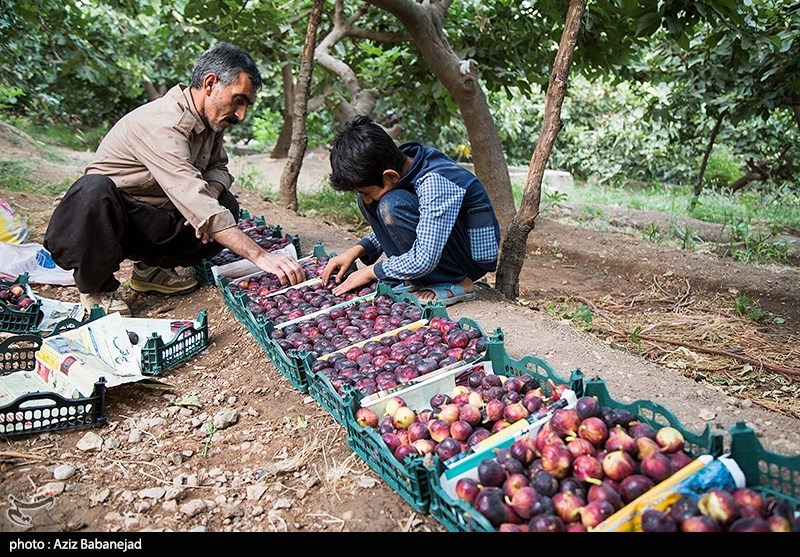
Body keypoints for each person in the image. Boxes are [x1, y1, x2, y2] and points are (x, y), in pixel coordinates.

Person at [44, 42, 305, 316]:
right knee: (95, 191)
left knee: (224, 205)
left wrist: (209, 199)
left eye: (246, 105)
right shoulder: (164, 123)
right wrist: (261, 256)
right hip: (107, 220)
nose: (241, 114)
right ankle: (95, 288)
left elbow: (220, 170)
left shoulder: (210, 124)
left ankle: (150, 270)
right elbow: (191, 194)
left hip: (150, 216)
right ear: (210, 83)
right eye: (238, 100)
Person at [321, 115, 501, 306]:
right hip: (441, 243)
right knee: (375, 201)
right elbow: (420, 224)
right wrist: (356, 251)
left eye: (367, 191)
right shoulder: (402, 167)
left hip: (470, 260)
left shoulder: (434, 182)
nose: (366, 198)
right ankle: (416, 277)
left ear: (390, 175)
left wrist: (372, 271)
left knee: (390, 204)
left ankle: (458, 282)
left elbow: (424, 255)